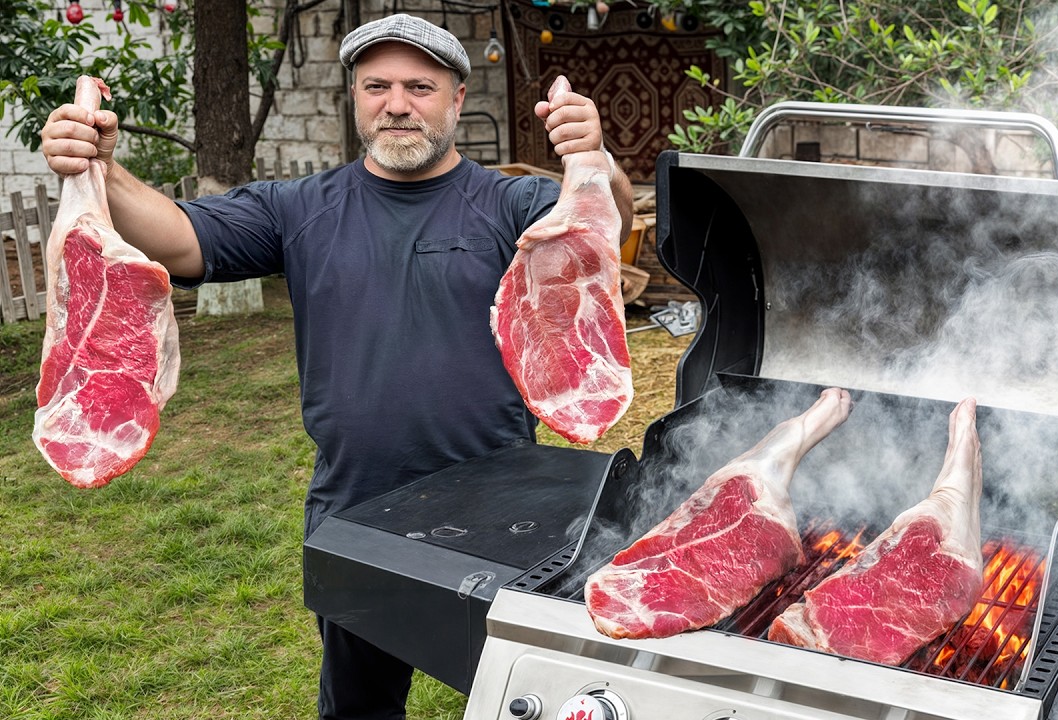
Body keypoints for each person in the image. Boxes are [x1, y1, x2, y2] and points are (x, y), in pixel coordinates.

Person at [40, 12, 633, 720]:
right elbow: (182, 239)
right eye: (376, 85)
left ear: (456, 100)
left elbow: (606, 221)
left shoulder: (507, 202)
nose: (397, 103)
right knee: (358, 706)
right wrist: (103, 165)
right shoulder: (299, 208)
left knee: (522, 700)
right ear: (354, 98)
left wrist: (595, 159)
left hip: (502, 514)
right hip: (355, 514)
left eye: (420, 85)